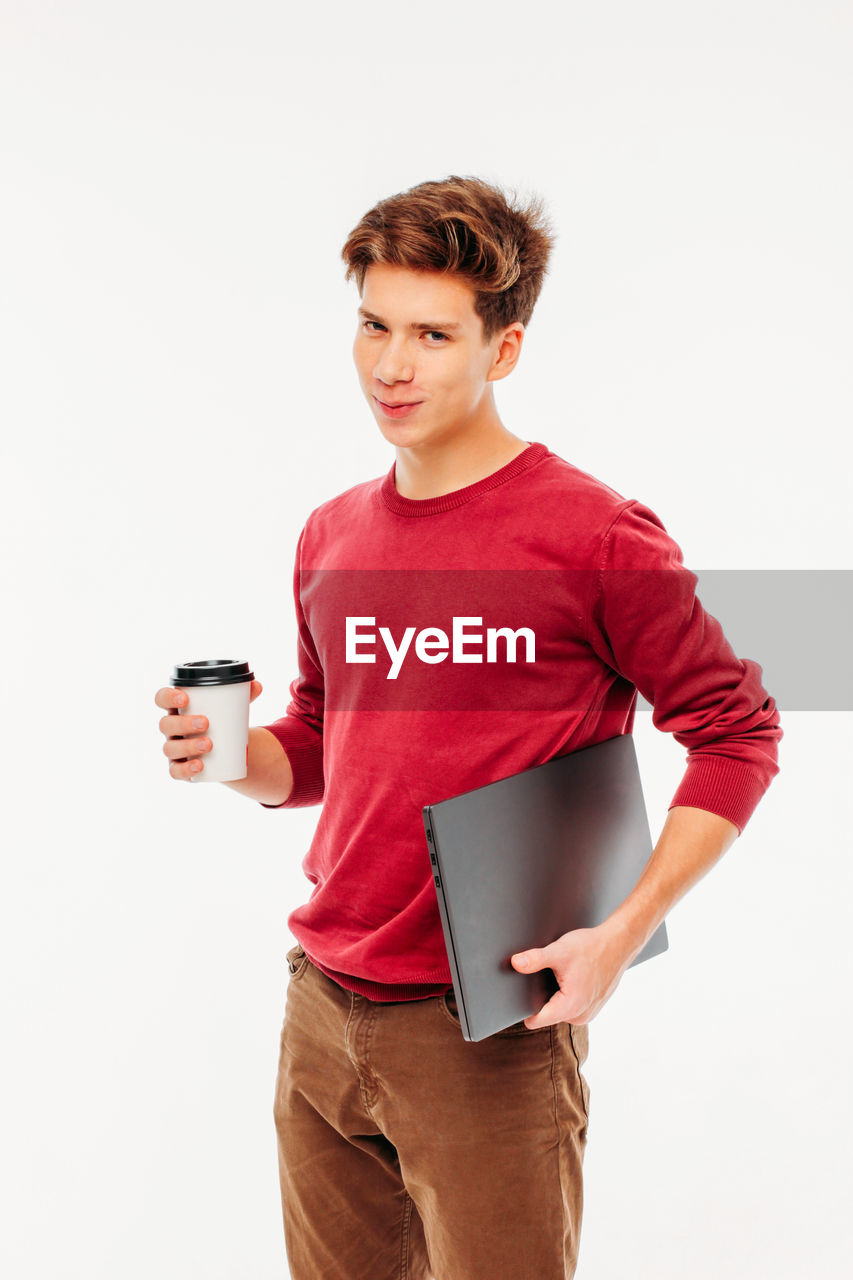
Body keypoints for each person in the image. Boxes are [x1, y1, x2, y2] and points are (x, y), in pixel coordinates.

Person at [154, 175, 782, 1280]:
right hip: (320, 1005)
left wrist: (621, 931)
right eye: (374, 325)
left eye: (433, 335)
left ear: (503, 350)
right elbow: (317, 741)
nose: (392, 366)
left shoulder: (594, 534)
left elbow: (736, 731)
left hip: (483, 1027)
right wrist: (231, 757)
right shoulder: (331, 532)